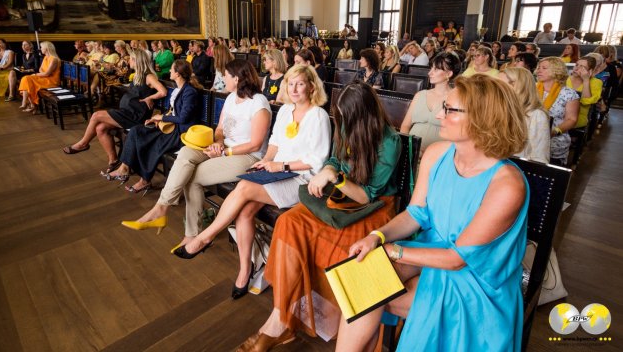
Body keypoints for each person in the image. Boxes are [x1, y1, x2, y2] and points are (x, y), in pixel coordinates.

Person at [336, 75, 528, 352]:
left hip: (476, 278)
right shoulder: (437, 153)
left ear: (482, 117)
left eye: (449, 109)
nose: (438, 115)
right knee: (362, 279)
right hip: (430, 251)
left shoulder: (507, 184)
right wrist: (377, 237)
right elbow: (416, 214)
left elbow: (456, 259)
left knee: (370, 293)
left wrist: (393, 251)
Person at [236, 82, 402, 350]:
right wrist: (328, 169)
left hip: (372, 207)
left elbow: (367, 195)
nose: (343, 123)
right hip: (341, 195)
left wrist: (334, 177)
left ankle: (280, 324)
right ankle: (280, 315)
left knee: (332, 244)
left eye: (347, 117)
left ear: (363, 114)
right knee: (289, 222)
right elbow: (336, 160)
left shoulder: (390, 142)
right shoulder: (348, 123)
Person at [176, 65, 331, 299]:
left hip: (301, 179)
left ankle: (204, 237)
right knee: (244, 213)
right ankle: (245, 270)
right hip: (277, 171)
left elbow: (316, 160)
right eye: (290, 83)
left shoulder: (318, 115)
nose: (295, 88)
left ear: (311, 86)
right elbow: (275, 144)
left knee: (245, 187)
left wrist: (281, 166)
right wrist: (265, 162)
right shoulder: (287, 110)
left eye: (300, 83)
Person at [121, 59, 271, 241]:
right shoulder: (232, 97)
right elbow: (220, 129)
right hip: (224, 148)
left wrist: (224, 152)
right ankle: (162, 208)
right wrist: (218, 142)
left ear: (237, 79)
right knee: (185, 153)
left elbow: (255, 144)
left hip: (247, 156)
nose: (223, 78)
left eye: (226, 75)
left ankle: (190, 234)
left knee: (192, 177)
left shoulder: (259, 103)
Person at [106, 60, 202, 194]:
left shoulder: (189, 92)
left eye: (172, 69)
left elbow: (183, 118)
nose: (169, 71)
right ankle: (124, 168)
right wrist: (156, 119)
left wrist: (161, 117)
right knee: (136, 131)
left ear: (178, 74)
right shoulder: (179, 89)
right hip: (170, 127)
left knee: (153, 145)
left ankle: (145, 180)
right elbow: (173, 112)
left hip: (180, 132)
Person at [62, 49, 167, 173]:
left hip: (135, 116)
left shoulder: (149, 76)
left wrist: (150, 97)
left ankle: (83, 144)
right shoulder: (138, 75)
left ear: (137, 60)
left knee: (96, 115)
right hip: (127, 112)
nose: (128, 61)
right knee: (100, 128)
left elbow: (163, 91)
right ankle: (113, 160)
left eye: (130, 59)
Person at [401, 52, 461, 151]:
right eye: (431, 68)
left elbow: (457, 133)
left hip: (438, 154)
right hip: (411, 151)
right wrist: (407, 148)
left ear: (449, 74)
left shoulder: (455, 99)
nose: (430, 73)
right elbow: (405, 125)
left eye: (436, 69)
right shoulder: (420, 95)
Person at [499, 67, 550, 163]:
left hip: (517, 168)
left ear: (518, 86)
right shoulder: (497, 109)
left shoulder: (536, 116)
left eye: (500, 84)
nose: (494, 88)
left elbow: (540, 158)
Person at [535, 57, 579, 165]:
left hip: (554, 140)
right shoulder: (532, 88)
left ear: (557, 71)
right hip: (531, 136)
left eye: (544, 68)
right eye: (538, 67)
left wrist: (554, 131)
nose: (538, 70)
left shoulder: (568, 94)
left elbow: (571, 119)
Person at [18, 41, 60, 113]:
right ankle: (29, 103)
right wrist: (42, 73)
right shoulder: (46, 57)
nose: (40, 49)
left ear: (46, 48)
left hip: (51, 81)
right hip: (43, 78)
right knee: (26, 79)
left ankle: (28, 103)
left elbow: (47, 73)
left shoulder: (54, 59)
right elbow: (41, 69)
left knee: (27, 79)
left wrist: (36, 74)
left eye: (41, 47)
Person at [566, 55, 603, 129]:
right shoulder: (566, 78)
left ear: (590, 71)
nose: (576, 68)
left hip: (578, 116)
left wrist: (586, 80)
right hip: (559, 112)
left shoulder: (596, 82)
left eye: (582, 67)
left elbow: (586, 102)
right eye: (576, 65)